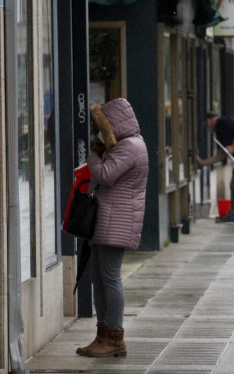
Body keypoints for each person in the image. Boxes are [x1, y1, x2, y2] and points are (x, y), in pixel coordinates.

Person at [75, 98, 149, 358]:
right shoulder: (131, 145)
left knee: (109, 277)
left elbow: (105, 174)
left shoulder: (129, 147)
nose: (98, 131)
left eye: (102, 126)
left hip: (115, 221)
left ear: (112, 124)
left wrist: (94, 155)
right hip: (108, 219)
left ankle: (114, 336)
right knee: (99, 277)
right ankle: (103, 334)